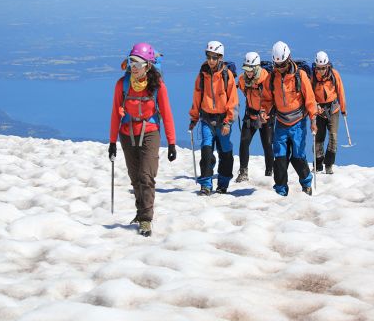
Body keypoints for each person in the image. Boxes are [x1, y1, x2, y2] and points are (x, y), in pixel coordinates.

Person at [108, 42, 177, 237]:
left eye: (138, 63)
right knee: (135, 178)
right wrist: (112, 142)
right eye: (131, 62)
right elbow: (115, 114)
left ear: (148, 65)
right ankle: (140, 213)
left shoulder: (157, 86)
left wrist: (172, 142)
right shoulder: (122, 85)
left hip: (150, 132)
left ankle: (146, 219)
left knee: (146, 176)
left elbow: (166, 113)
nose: (134, 67)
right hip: (127, 133)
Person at [261, 41, 317, 196]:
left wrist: (313, 120)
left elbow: (310, 99)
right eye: (276, 65)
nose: (279, 68)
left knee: (298, 156)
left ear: (289, 59)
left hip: (298, 122)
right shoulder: (272, 78)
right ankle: (280, 190)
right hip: (281, 122)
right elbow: (266, 99)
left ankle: (306, 183)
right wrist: (263, 111)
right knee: (279, 157)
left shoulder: (300, 76)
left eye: (282, 64)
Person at [188, 40, 239, 195]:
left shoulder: (227, 75)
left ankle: (223, 184)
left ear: (220, 57)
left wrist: (228, 122)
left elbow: (233, 101)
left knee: (225, 153)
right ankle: (206, 185)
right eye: (209, 56)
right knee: (206, 152)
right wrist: (194, 118)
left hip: (223, 120)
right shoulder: (202, 75)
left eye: (214, 57)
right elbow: (197, 98)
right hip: (206, 119)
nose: (211, 60)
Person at [235, 52, 274, 182]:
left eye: (250, 70)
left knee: (267, 144)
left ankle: (270, 173)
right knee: (244, 142)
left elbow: (271, 99)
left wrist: (264, 112)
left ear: (256, 68)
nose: (248, 73)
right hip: (250, 114)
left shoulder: (266, 79)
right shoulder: (242, 79)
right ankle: (243, 173)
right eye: (246, 70)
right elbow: (238, 88)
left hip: (265, 116)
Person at [312, 51, 347, 174]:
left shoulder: (334, 75)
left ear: (327, 66)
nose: (320, 71)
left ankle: (329, 165)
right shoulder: (312, 76)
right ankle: (318, 164)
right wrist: (315, 106)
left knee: (333, 137)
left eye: (323, 68)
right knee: (319, 139)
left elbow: (340, 91)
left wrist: (343, 109)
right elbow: (310, 95)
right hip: (319, 110)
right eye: (318, 68)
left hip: (333, 109)